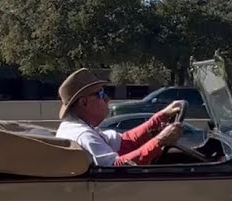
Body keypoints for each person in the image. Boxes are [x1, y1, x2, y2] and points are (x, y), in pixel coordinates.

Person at [55, 68, 184, 166]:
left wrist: (159, 118)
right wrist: (160, 141)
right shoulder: (83, 135)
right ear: (84, 102)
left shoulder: (80, 128)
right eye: (100, 94)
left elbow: (125, 141)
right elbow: (117, 167)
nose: (106, 98)